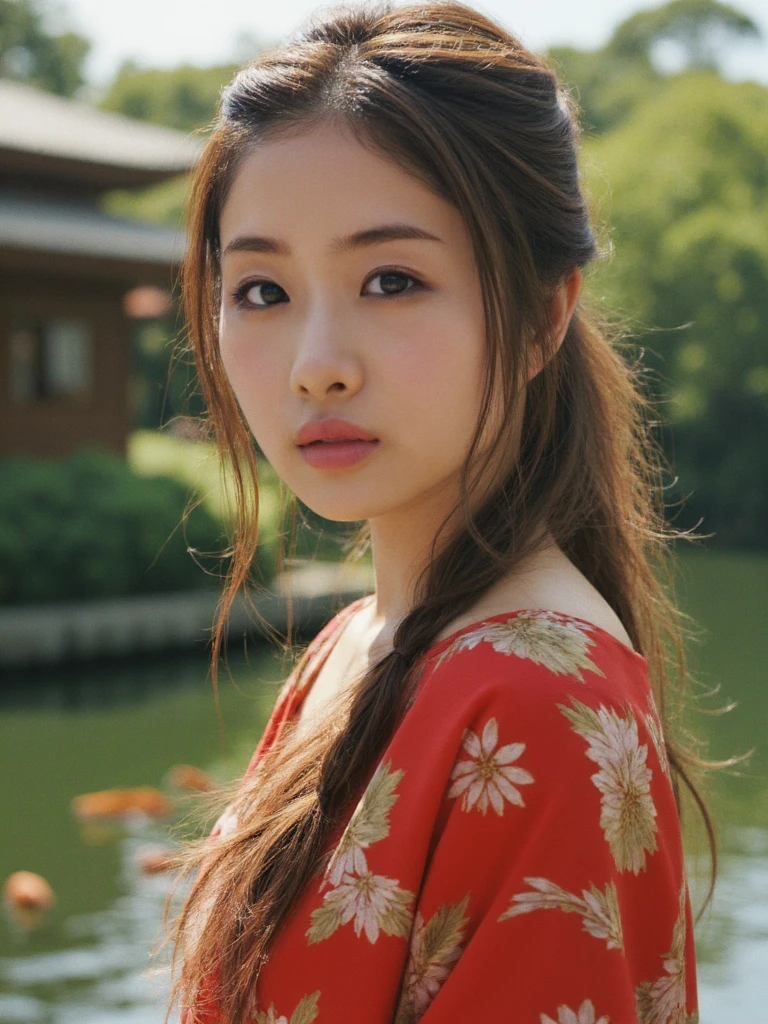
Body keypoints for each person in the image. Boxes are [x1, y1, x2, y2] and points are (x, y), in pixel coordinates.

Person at [168, 3, 712, 1021]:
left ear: (544, 311)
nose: (317, 364)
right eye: (260, 290)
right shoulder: (355, 646)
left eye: (391, 279)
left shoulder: (536, 706)